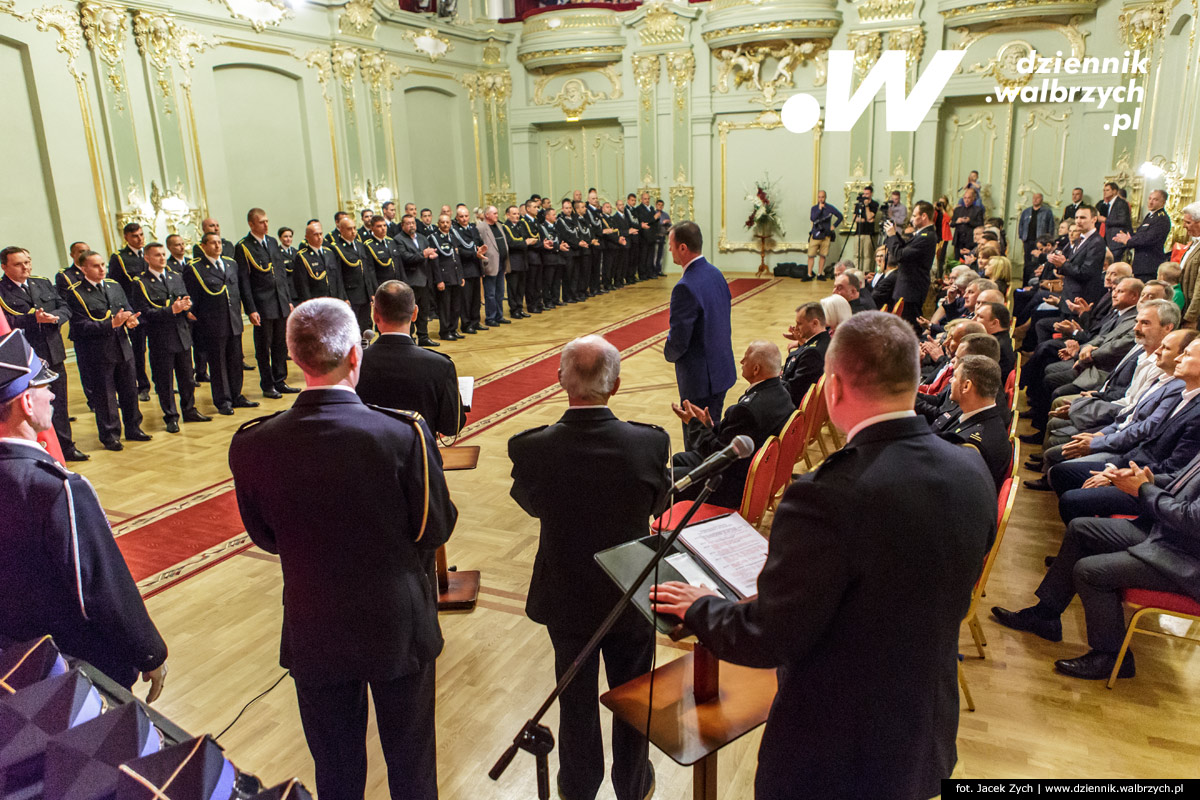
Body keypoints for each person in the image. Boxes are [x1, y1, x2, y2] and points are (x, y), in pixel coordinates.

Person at [650, 312, 995, 800]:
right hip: (923, 730)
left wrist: (700, 606)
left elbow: (770, 636)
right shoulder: (970, 465)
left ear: (833, 388)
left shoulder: (826, 495)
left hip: (835, 752)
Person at [229, 298, 456, 800]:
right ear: (357, 355)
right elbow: (434, 527)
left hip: (315, 623)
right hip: (397, 621)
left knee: (335, 770)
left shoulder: (253, 443)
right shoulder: (402, 434)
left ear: (294, 358)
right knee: (412, 765)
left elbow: (264, 535)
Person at [508, 335, 668, 800]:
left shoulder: (532, 448)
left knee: (575, 703)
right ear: (615, 385)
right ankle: (632, 785)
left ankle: (578, 787)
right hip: (631, 592)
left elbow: (532, 504)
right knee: (635, 700)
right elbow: (659, 503)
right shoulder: (649, 443)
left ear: (560, 380)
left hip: (566, 595)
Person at [0, 330, 169, 696]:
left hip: (17, 664)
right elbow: (99, 586)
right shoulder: (56, 487)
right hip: (82, 669)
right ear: (26, 404)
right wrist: (149, 650)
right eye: (44, 387)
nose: (53, 394)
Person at [993, 443, 1200, 680]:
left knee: (1090, 571)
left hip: (1186, 562)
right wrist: (1146, 479)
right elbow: (1179, 480)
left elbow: (1191, 519)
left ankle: (1112, 657)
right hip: (1166, 536)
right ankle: (1045, 616)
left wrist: (1144, 489)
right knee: (1081, 529)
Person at [671, 340, 794, 510]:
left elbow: (719, 455)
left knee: (668, 482)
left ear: (756, 369)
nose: (741, 362)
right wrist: (709, 425)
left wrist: (693, 424)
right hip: (751, 472)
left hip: (730, 485)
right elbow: (733, 436)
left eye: (745, 359)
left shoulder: (747, 410)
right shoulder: (782, 393)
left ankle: (666, 531)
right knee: (678, 459)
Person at [0, 246, 85, 460]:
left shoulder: (42, 282)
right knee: (29, 407)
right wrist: (33, 319)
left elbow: (65, 307)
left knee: (59, 402)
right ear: (4, 267)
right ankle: (39, 449)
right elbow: (7, 323)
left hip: (52, 351)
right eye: (19, 264)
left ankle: (66, 447)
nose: (25, 267)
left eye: (27, 262)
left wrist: (55, 317)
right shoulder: (2, 291)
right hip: (26, 359)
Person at [63, 251, 151, 451]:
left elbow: (126, 307)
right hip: (98, 352)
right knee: (106, 396)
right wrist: (110, 324)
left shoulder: (114, 285)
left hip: (122, 346)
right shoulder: (75, 292)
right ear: (83, 268)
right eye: (96, 266)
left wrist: (131, 320)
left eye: (103, 264)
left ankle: (133, 428)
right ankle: (110, 435)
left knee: (129, 390)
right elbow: (80, 326)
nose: (102, 269)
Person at [357, 281, 465, 437]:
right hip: (421, 457)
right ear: (415, 313)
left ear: (375, 315)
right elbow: (451, 427)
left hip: (370, 456)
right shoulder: (440, 365)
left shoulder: (354, 364)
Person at [663, 222, 737, 448]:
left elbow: (679, 339)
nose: (670, 250)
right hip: (721, 371)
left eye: (671, 245)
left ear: (683, 248)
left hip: (699, 380)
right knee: (712, 434)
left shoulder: (685, 287)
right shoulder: (716, 274)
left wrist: (668, 352)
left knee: (697, 445)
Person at [130, 243, 210, 433]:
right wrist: (171, 310)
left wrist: (187, 307)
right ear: (147, 258)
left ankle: (189, 409)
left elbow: (183, 299)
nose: (162, 258)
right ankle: (171, 416)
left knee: (187, 378)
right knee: (164, 381)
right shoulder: (141, 282)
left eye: (163, 254)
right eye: (157, 255)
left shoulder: (175, 276)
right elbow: (144, 312)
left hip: (182, 334)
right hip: (161, 337)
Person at [184, 233, 258, 416]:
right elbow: (192, 296)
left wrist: (251, 310)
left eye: (219, 243)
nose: (217, 246)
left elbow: (240, 290)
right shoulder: (196, 268)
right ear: (203, 246)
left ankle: (236, 395)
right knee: (218, 364)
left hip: (233, 320)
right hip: (212, 323)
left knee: (235, 360)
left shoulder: (230, 263)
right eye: (213, 243)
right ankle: (223, 400)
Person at [236, 208, 296, 400]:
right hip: (262, 304)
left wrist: (287, 300)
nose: (266, 225)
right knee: (264, 347)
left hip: (279, 301)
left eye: (267, 221)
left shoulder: (271, 242)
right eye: (261, 222)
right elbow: (244, 281)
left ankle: (280, 379)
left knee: (280, 344)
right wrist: (251, 309)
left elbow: (280, 273)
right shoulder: (244, 247)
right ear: (251, 224)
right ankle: (267, 384)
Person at [937, 354, 1010, 489]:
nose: (951, 380)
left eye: (955, 377)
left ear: (966, 386)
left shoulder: (971, 444)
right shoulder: (976, 413)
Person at [107, 222, 152, 400]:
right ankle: (142, 385)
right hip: (135, 310)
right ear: (126, 238)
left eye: (141, 235)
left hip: (153, 309)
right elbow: (117, 287)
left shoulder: (148, 254)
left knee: (157, 349)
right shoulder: (119, 258)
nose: (140, 239)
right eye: (135, 236)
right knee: (138, 350)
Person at [884, 200, 937, 330]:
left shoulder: (926, 236)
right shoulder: (922, 234)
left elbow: (900, 255)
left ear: (923, 216)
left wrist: (891, 237)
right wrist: (895, 234)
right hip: (908, 287)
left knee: (909, 328)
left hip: (911, 288)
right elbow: (906, 249)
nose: (912, 219)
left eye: (914, 215)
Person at [393, 213, 439, 346]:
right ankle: (410, 338)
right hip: (410, 281)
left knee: (424, 311)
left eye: (413, 223)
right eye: (408, 223)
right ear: (402, 225)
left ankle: (424, 336)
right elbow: (406, 258)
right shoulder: (399, 239)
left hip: (424, 279)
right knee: (410, 312)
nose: (411, 225)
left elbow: (426, 255)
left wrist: (430, 256)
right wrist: (423, 255)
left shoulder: (423, 238)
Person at [1113, 189, 1171, 280]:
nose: (1151, 202)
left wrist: (1129, 241)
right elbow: (1141, 234)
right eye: (1150, 199)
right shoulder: (1150, 216)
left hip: (1149, 265)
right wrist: (1130, 237)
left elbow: (1148, 239)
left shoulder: (1161, 219)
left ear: (1163, 202)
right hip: (1141, 264)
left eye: (1155, 200)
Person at [781, 302, 830, 406]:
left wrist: (772, 380)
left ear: (815, 323)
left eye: (799, 323)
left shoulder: (812, 353)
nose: (796, 328)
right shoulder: (826, 340)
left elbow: (794, 391)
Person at [429, 213, 466, 340]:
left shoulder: (453, 237)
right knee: (445, 307)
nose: (445, 225)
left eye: (448, 222)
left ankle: (453, 329)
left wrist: (461, 276)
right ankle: (445, 332)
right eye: (443, 222)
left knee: (456, 306)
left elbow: (457, 258)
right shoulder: (434, 238)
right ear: (438, 224)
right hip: (444, 278)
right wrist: (439, 280)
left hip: (455, 276)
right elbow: (435, 262)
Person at [294, 220, 348, 303]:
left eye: (321, 234)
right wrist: (309, 304)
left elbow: (337, 278)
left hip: (333, 298)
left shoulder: (329, 252)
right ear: (307, 237)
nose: (319, 237)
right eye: (315, 234)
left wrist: (342, 298)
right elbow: (303, 285)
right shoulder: (303, 256)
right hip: (317, 301)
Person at [480, 205, 510, 328]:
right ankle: (490, 317)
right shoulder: (481, 227)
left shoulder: (499, 225)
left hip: (501, 264)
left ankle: (499, 315)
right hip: (490, 265)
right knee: (490, 293)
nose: (497, 216)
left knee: (500, 292)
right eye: (495, 214)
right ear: (487, 215)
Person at [805, 190, 843, 280]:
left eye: (822, 197)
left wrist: (834, 226)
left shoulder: (830, 208)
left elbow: (840, 216)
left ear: (825, 197)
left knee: (823, 255)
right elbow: (813, 218)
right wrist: (819, 209)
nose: (821, 199)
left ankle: (820, 274)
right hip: (815, 235)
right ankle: (809, 274)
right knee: (811, 255)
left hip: (826, 235)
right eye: (819, 197)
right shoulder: (814, 208)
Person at [1019, 193, 1057, 282]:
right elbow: (1021, 225)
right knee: (1027, 261)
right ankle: (1026, 280)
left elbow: (1051, 226)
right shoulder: (1026, 211)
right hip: (1028, 240)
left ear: (1042, 200)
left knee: (1038, 261)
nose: (1035, 200)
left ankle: (1036, 278)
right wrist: (1022, 236)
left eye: (1037, 198)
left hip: (1041, 241)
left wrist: (1049, 239)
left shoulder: (1047, 212)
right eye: (1034, 198)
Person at [1098, 181, 1133, 261]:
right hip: (1109, 240)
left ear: (1114, 191)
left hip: (1117, 240)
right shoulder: (1108, 204)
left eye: (1107, 190)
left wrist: (1105, 220)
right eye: (1104, 190)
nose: (1104, 192)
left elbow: (1123, 220)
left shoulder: (1121, 203)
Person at [851, 185, 879, 270]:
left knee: (867, 255)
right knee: (857, 254)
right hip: (858, 232)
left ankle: (866, 273)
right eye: (864, 193)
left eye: (867, 194)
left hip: (868, 233)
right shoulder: (859, 204)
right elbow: (854, 218)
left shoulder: (874, 204)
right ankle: (856, 271)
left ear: (871, 194)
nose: (865, 195)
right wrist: (864, 220)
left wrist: (867, 206)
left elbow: (870, 217)